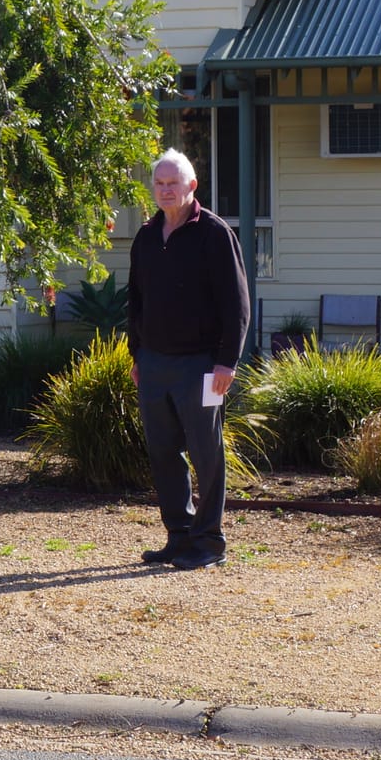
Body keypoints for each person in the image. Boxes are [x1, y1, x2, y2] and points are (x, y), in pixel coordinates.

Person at [126, 148, 249, 570]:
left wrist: (226, 362)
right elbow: (135, 300)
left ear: (191, 186)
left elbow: (237, 304)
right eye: (158, 183)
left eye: (172, 183)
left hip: (201, 365)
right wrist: (137, 354)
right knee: (163, 452)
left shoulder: (214, 234)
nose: (164, 190)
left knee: (206, 453)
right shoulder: (146, 235)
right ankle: (178, 536)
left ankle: (209, 542)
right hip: (154, 363)